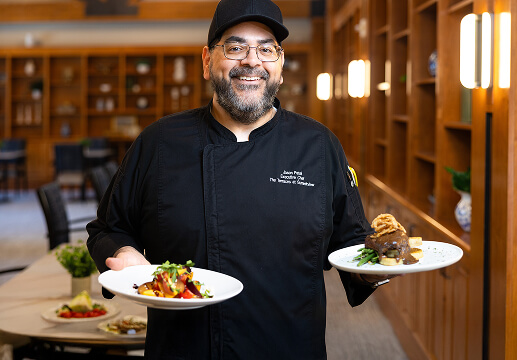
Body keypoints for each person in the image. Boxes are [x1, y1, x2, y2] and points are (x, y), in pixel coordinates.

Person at [87, 0, 394, 358]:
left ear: (280, 65)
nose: (252, 61)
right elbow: (107, 229)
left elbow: (353, 246)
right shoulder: (159, 143)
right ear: (207, 61)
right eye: (235, 47)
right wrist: (123, 253)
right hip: (186, 350)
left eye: (267, 49)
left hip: (291, 348)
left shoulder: (319, 145)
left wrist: (382, 265)